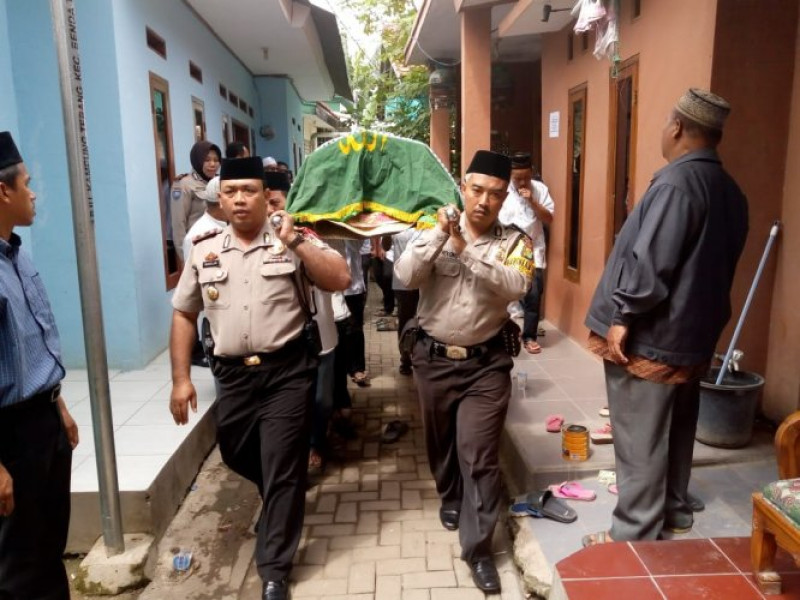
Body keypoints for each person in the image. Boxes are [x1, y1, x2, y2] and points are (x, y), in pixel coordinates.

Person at [169, 156, 350, 600]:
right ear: (220, 198)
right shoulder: (204, 248)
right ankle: (280, 498)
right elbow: (184, 313)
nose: (239, 199)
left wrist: (297, 242)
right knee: (235, 451)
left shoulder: (293, 236)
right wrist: (180, 379)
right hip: (232, 375)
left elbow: (339, 278)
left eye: (249, 190)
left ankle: (274, 568)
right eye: (230, 192)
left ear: (265, 195)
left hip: (287, 372)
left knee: (284, 464)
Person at [582, 89, 748, 546]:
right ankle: (674, 510)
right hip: (692, 336)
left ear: (676, 127)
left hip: (653, 336)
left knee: (640, 438)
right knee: (675, 429)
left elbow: (652, 261)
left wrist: (623, 315)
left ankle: (633, 535)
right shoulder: (730, 190)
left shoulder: (677, 184)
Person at [395, 150, 533, 593]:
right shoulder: (431, 228)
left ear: (504, 198)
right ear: (463, 186)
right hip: (432, 359)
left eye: (495, 194)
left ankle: (478, 550)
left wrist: (465, 251)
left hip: (485, 366)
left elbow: (517, 285)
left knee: (479, 455)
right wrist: (441, 234)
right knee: (441, 442)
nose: (484, 201)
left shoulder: (516, 243)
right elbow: (405, 275)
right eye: (477, 190)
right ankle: (449, 494)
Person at [0, 131, 80, 599]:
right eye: (26, 184)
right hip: (10, 436)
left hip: (44, 421)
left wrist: (59, 406)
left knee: (49, 546)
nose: (32, 194)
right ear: (3, 190)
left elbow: (31, 347)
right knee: (18, 565)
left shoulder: (16, 255)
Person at [263, 170, 336, 474]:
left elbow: (338, 276)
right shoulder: (254, 241)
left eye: (275, 203)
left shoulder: (307, 235)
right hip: (284, 342)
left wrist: (296, 241)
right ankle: (297, 450)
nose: (269, 210)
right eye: (265, 203)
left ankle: (317, 442)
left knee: (321, 399)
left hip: (320, 332)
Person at [499, 152, 554, 354]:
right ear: (510, 175)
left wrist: (532, 201)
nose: (522, 182)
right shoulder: (502, 189)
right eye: (517, 178)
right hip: (506, 247)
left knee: (534, 294)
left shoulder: (540, 189)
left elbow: (548, 218)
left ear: (532, 173)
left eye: (526, 177)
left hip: (533, 249)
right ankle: (501, 333)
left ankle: (529, 336)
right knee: (502, 293)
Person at [171, 140, 221, 262]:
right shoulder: (184, 184)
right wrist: (186, 258)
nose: (212, 164)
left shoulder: (219, 182)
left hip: (219, 245)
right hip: (196, 248)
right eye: (207, 160)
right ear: (197, 160)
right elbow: (178, 224)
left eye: (216, 160)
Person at [391, 227, 420, 375]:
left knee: (423, 321)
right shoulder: (397, 225)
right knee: (405, 322)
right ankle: (405, 358)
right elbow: (385, 246)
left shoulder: (426, 224)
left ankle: (419, 358)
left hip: (422, 282)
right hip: (402, 283)